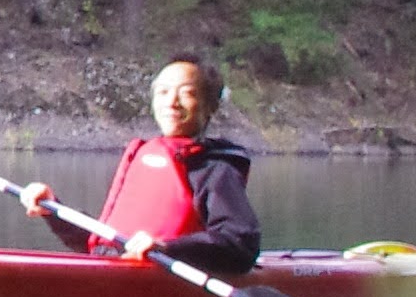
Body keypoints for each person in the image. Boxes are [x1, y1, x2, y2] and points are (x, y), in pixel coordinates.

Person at [23, 53, 262, 278]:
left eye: (187, 93)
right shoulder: (143, 157)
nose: (172, 102)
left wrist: (166, 248)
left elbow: (240, 245)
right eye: (163, 92)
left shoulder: (214, 169)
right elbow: (101, 243)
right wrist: (52, 209)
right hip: (118, 272)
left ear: (210, 106)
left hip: (171, 277)